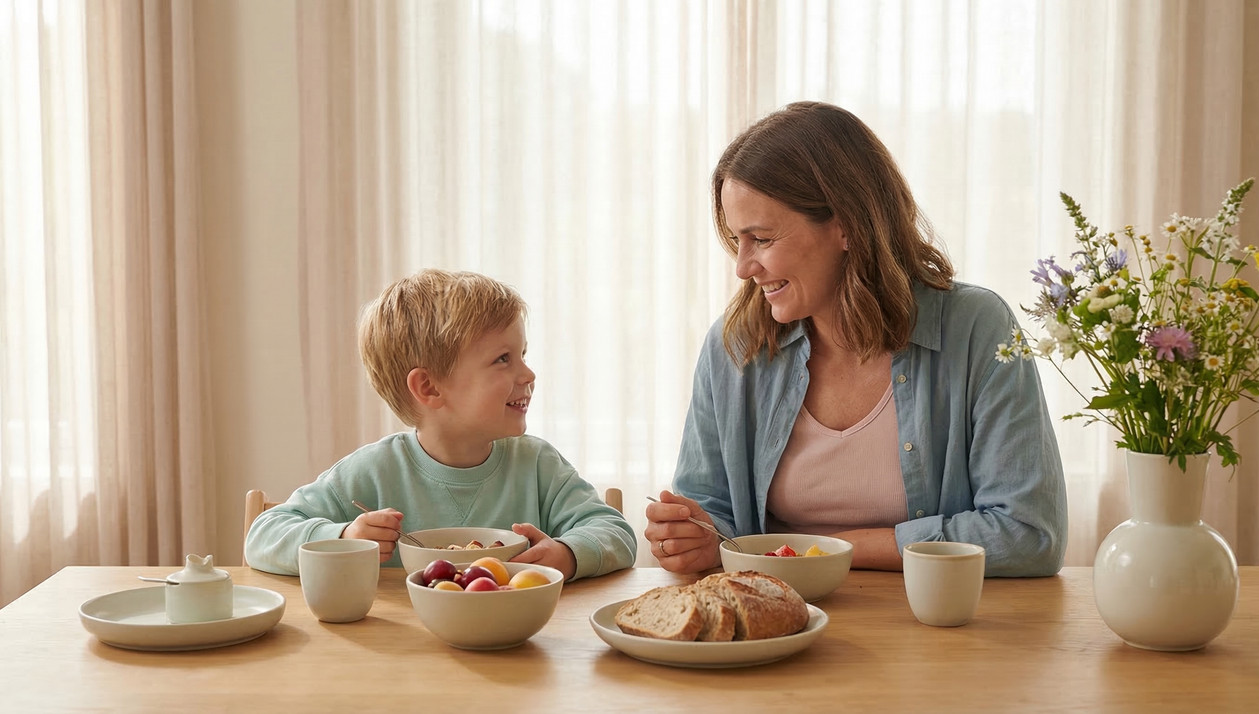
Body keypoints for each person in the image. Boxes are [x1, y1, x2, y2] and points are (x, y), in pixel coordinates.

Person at [645, 101, 1067, 578]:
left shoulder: (975, 328)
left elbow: (1030, 535)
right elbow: (710, 514)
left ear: (845, 225)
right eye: (737, 240)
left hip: (936, 635)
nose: (743, 267)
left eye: (761, 239)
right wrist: (694, 539)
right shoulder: (734, 347)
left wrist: (828, 550)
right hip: (778, 630)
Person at [245, 269, 637, 580]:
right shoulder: (373, 472)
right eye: (503, 359)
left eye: (523, 354)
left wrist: (567, 554)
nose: (528, 373)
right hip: (403, 660)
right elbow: (263, 535)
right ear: (429, 387)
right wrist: (344, 537)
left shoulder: (538, 465)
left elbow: (613, 531)